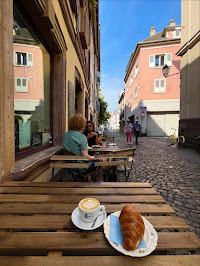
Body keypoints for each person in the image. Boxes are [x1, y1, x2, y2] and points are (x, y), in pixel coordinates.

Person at [63, 114, 104, 182]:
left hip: (69, 166)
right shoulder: (81, 137)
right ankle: (98, 181)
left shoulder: (66, 135)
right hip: (81, 167)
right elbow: (86, 158)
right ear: (82, 125)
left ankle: (89, 181)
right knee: (102, 161)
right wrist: (95, 157)